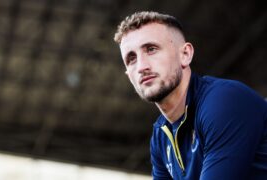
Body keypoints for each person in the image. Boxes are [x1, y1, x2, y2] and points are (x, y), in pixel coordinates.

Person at [113, 11, 267, 179]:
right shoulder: (160, 136)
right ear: (129, 75)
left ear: (185, 54)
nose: (142, 66)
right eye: (131, 59)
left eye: (151, 49)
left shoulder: (224, 101)